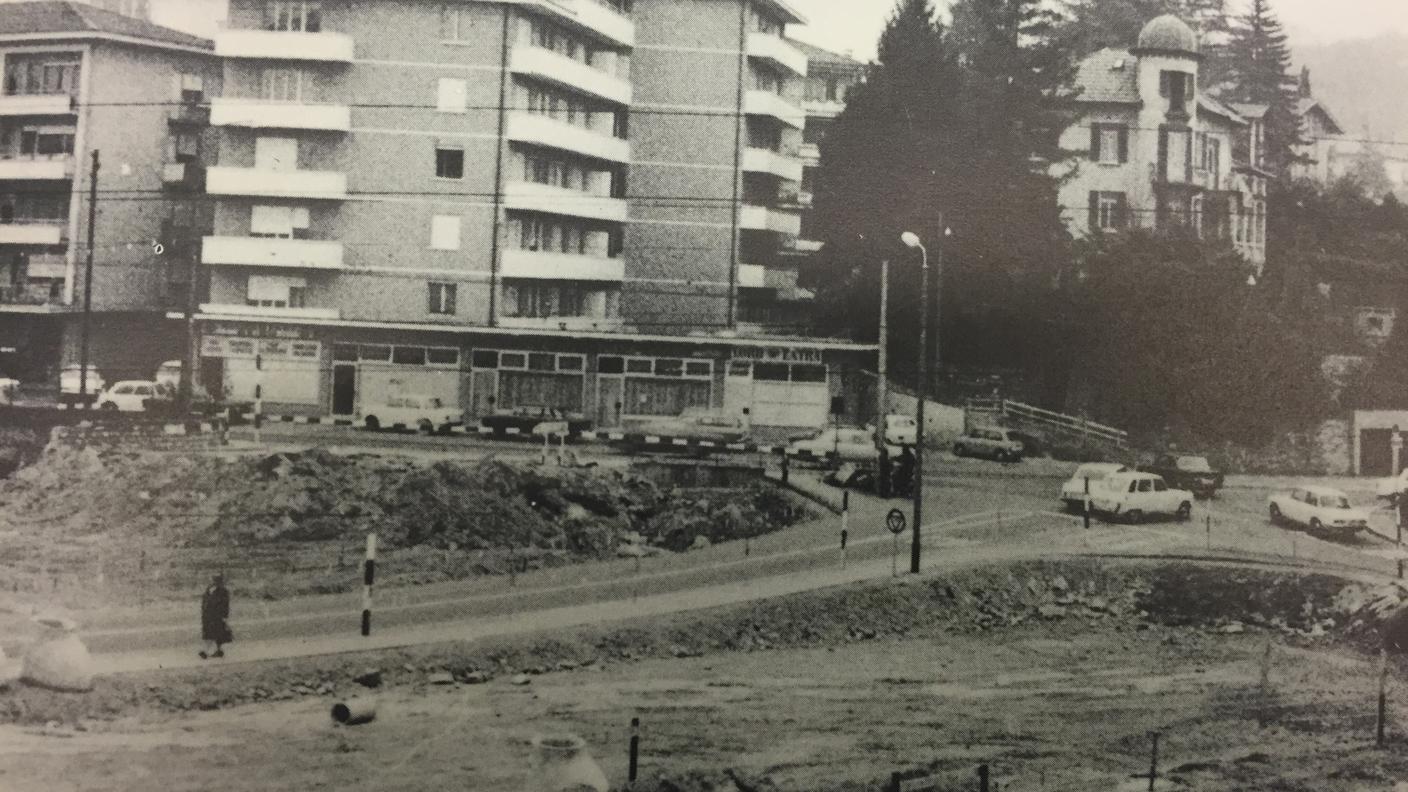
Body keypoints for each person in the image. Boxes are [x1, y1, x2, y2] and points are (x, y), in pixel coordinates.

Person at [199, 574, 232, 659]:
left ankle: (205, 651)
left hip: (217, 616)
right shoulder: (209, 590)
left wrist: (224, 616)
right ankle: (218, 651)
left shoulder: (223, 591)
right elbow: (204, 603)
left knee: (211, 634)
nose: (212, 581)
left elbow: (225, 605)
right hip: (208, 616)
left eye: (214, 580)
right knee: (215, 634)